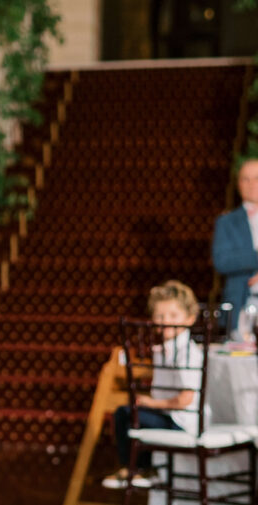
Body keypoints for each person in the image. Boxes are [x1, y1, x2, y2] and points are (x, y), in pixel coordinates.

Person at [101, 280, 203, 489]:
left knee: (127, 413)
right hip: (168, 415)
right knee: (125, 413)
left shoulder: (186, 353)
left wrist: (150, 403)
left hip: (182, 421)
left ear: (190, 319)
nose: (165, 322)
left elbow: (186, 399)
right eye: (160, 316)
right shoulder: (164, 349)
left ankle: (141, 469)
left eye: (173, 316)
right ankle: (137, 468)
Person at [212, 158, 258, 332]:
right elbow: (222, 261)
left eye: (256, 178)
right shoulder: (226, 221)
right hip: (241, 305)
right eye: (245, 179)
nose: (251, 184)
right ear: (239, 184)